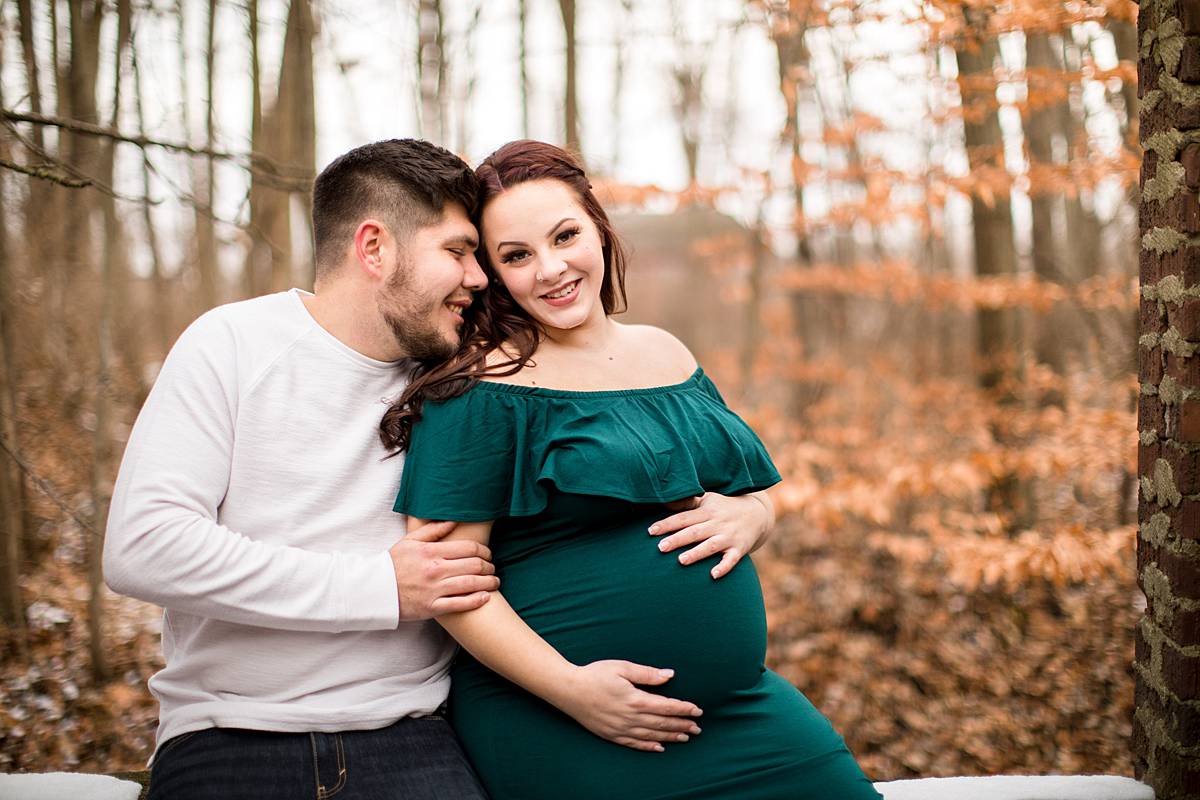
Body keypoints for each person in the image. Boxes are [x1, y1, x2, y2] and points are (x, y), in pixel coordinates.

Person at [103, 138, 771, 800]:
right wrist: (380, 587)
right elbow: (145, 548)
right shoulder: (235, 344)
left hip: (412, 736)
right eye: (457, 252)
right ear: (374, 248)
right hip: (232, 735)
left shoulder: (460, 378)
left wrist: (752, 508)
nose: (479, 277)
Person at [385, 140, 884, 800]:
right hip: (561, 719)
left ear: (599, 228)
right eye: (517, 256)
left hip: (739, 712)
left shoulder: (667, 354)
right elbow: (452, 586)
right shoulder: (481, 388)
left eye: (566, 236)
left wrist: (754, 515)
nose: (551, 268)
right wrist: (576, 691)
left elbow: (756, 493)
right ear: (496, 275)